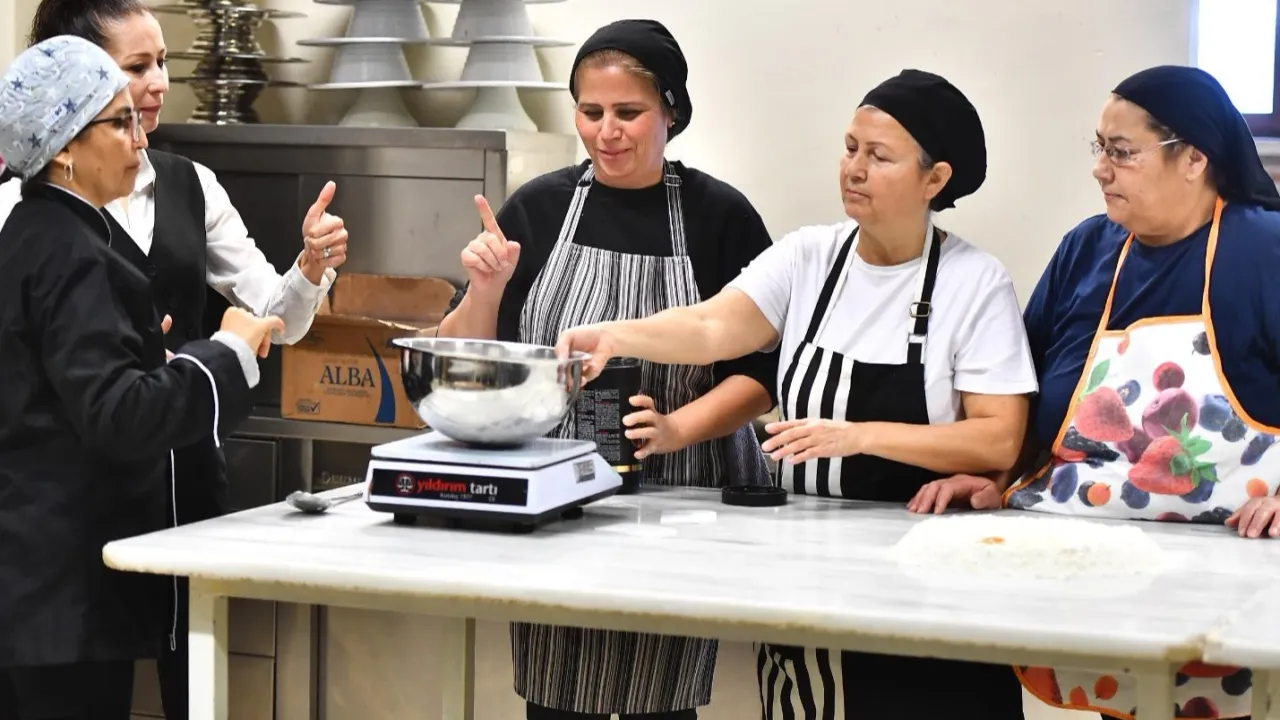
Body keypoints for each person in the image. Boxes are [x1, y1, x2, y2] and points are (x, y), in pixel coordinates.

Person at [555, 69, 1037, 720]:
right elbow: (712, 325)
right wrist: (616, 334)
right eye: (850, 148)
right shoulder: (810, 257)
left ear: (936, 179)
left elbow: (998, 437)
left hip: (927, 577)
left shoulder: (974, 283)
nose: (854, 169)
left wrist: (859, 436)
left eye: (880, 156)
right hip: (809, 570)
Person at [0, 2, 352, 716]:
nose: (141, 129)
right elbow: (114, 410)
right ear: (64, 141)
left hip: (121, 525)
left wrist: (305, 274)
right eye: (120, 115)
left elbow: (268, 314)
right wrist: (219, 353)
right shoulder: (66, 247)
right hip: (65, 551)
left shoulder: (59, 227)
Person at [911, 65, 1280, 720]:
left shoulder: (1264, 252)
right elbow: (1026, 395)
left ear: (1195, 158)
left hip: (1233, 583)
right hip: (1098, 580)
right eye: (1099, 148)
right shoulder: (1086, 252)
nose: (1100, 169)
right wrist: (995, 475)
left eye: (1122, 152)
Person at [437, 18, 778, 720]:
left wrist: (677, 428)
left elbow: (760, 377)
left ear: (671, 111)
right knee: (556, 700)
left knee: (664, 705)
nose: (606, 132)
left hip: (681, 506)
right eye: (591, 112)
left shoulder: (720, 217)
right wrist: (486, 290)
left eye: (628, 112)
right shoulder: (539, 207)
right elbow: (464, 361)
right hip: (556, 503)